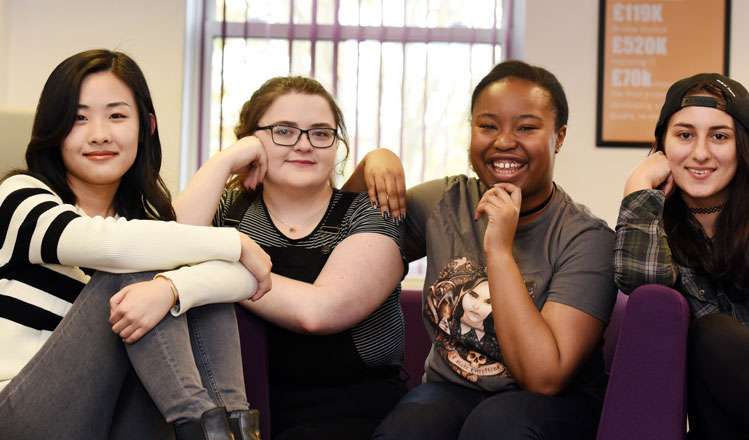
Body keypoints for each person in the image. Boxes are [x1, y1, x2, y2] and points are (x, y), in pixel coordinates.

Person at [0, 49, 271, 439]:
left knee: (180, 287)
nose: (99, 133)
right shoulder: (21, 197)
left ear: (146, 126)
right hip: (18, 416)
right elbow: (113, 247)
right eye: (78, 118)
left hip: (107, 420)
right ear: (53, 128)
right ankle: (199, 426)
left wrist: (172, 289)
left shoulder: (146, 229)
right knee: (139, 268)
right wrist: (234, 242)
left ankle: (231, 430)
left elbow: (244, 280)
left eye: (116, 115)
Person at [348, 60, 618, 439]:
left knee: (495, 426)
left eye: (526, 127)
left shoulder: (588, 239)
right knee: (407, 430)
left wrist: (499, 250)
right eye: (487, 126)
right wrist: (374, 164)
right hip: (451, 389)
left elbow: (544, 377)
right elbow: (335, 241)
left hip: (553, 404)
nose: (504, 141)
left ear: (558, 137)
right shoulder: (445, 203)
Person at [174, 76, 408, 439]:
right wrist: (226, 160)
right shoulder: (226, 212)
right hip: (239, 408)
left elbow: (318, 312)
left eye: (320, 133)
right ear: (253, 140)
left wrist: (219, 262)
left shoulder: (370, 212)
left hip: (357, 413)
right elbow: (170, 248)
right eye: (283, 131)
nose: (304, 145)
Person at [615, 72, 749, 440]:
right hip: (716, 422)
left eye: (719, 136)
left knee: (715, 335)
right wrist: (637, 187)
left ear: (742, 146)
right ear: (663, 145)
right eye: (684, 135)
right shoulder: (654, 222)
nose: (700, 153)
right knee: (706, 338)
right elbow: (642, 290)